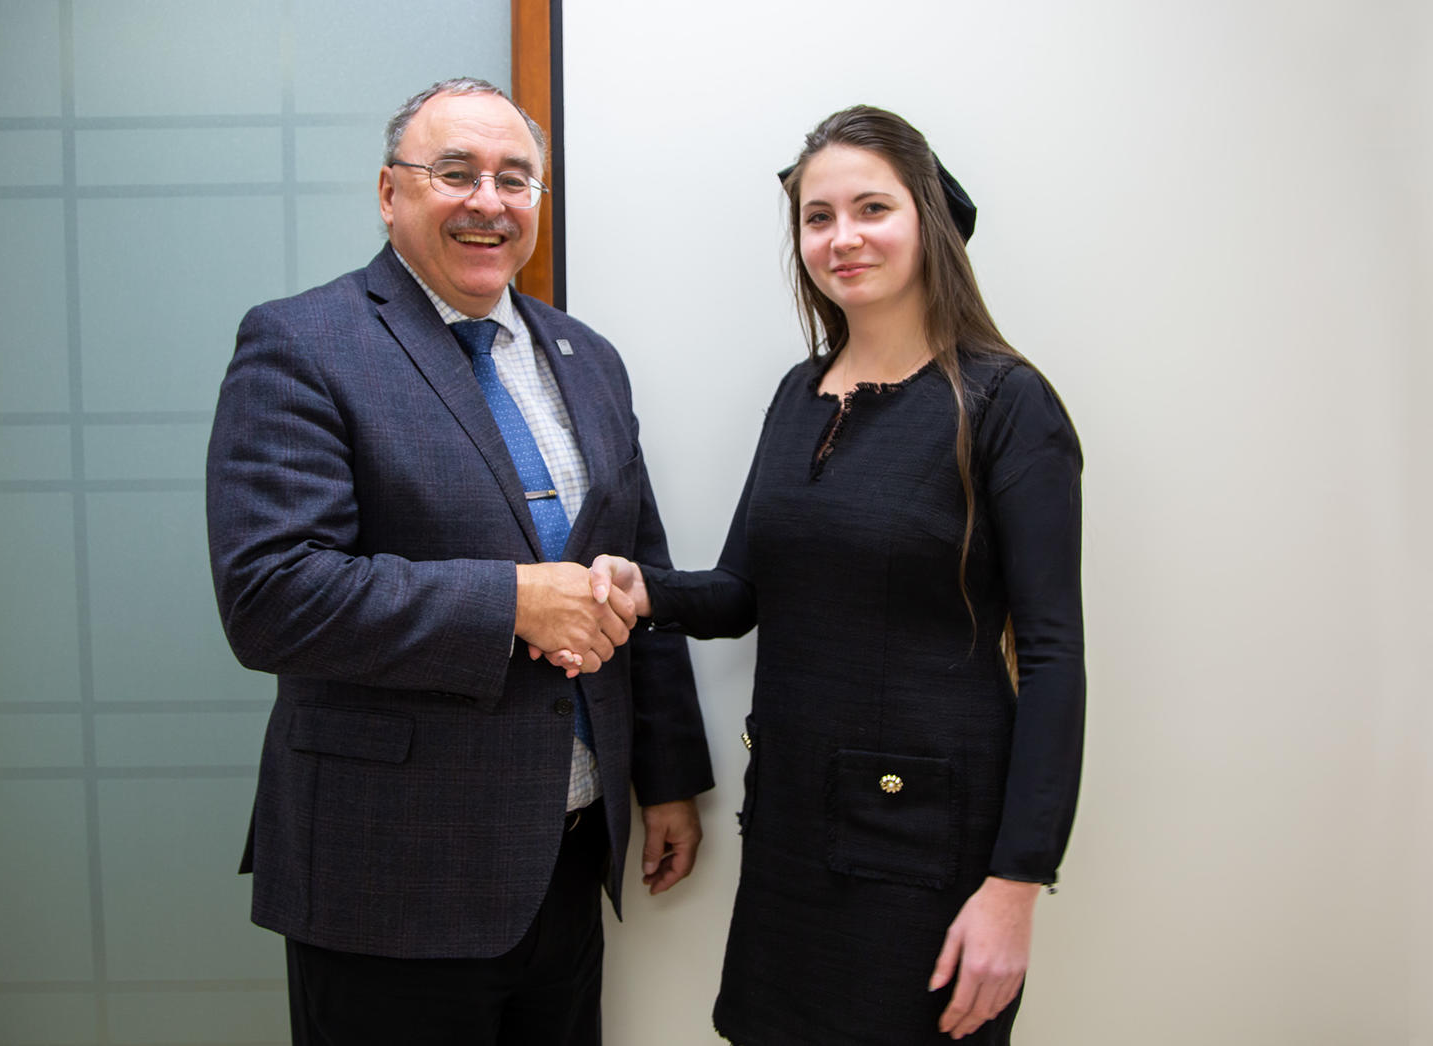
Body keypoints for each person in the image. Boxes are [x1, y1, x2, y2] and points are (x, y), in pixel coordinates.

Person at [205, 77, 713, 1046]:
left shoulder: (588, 356)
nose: (489, 199)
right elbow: (270, 594)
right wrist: (511, 601)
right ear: (390, 192)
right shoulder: (304, 342)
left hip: (566, 857)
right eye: (455, 172)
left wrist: (667, 777)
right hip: (387, 869)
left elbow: (634, 573)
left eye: (515, 178)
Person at [574, 106, 1085, 1043]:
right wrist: (644, 590)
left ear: (928, 219)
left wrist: (1016, 886)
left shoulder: (1007, 403)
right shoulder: (797, 395)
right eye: (817, 216)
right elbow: (742, 593)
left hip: (930, 847)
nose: (842, 237)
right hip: (793, 831)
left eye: (871, 208)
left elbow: (1052, 658)